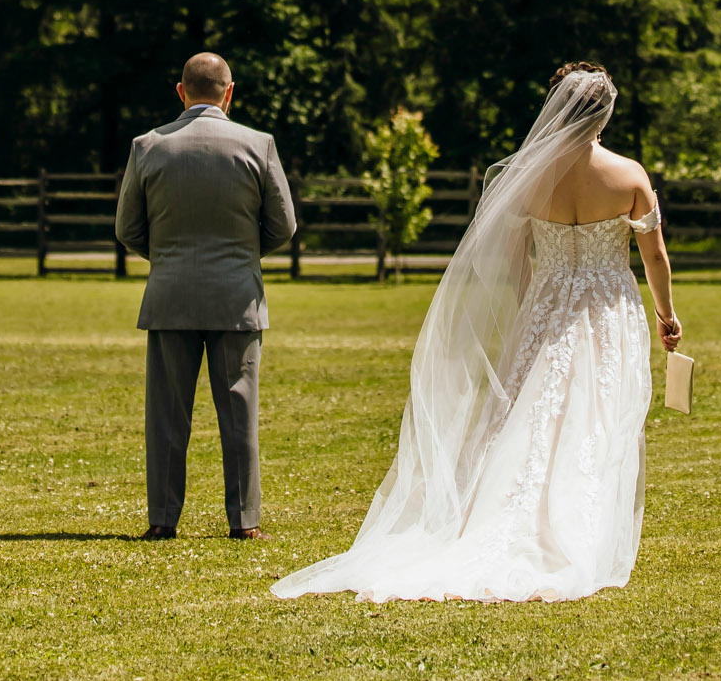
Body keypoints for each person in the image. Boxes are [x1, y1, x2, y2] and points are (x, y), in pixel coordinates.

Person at [272, 61, 680, 603]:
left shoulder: (531, 179)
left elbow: (512, 263)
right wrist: (665, 315)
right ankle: (579, 530)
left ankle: (509, 516)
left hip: (548, 306)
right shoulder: (629, 175)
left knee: (532, 419)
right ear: (605, 113)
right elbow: (654, 254)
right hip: (607, 307)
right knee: (598, 417)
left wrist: (537, 305)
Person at [115, 50, 297, 541]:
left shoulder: (147, 146)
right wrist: (241, 254)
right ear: (229, 93)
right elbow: (284, 226)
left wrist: (169, 258)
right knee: (240, 414)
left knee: (167, 418)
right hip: (237, 298)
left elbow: (127, 228)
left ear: (181, 92)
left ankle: (162, 519)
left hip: (170, 294)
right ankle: (244, 521)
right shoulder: (258, 145)